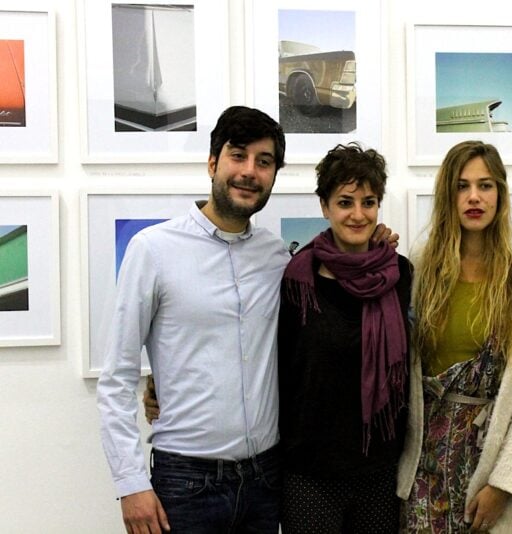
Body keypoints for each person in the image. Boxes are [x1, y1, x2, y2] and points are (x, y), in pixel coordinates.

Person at [97, 106, 290, 534]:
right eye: (238, 156)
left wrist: (377, 243)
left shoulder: (277, 257)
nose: (249, 172)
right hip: (185, 486)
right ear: (212, 163)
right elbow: (116, 375)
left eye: (264, 162)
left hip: (264, 483)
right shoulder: (154, 250)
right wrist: (130, 484)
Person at [397, 140, 512, 533]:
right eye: (461, 185)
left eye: (485, 185)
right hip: (422, 469)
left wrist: (503, 484)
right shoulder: (420, 273)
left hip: (486, 475)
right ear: (446, 195)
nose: (474, 197)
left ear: (500, 195)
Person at [277, 143, 411, 533]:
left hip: (380, 471)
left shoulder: (402, 275)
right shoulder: (296, 281)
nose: (358, 214)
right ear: (325, 206)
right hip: (310, 473)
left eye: (368, 202)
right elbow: (278, 366)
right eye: (345, 202)